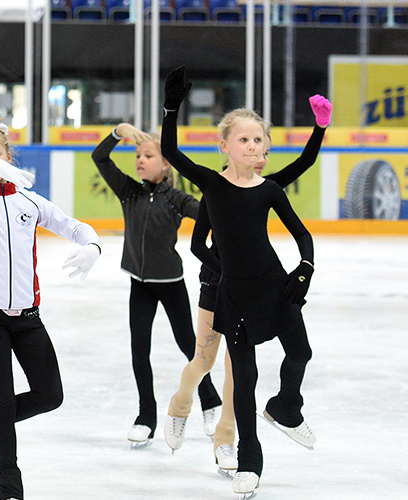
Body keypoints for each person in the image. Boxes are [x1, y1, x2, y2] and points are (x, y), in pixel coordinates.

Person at [161, 66, 317, 498]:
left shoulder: (269, 188)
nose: (253, 145)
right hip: (232, 293)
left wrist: (305, 265)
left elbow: (302, 232)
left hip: (275, 285)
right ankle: (247, 457)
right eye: (244, 139)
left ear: (266, 146)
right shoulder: (212, 185)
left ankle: (287, 407)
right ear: (225, 145)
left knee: (300, 353)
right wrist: (171, 108)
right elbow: (172, 151)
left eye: (259, 139)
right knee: (236, 375)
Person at [0, 115, 101, 500]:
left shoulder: (29, 201)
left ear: (10, 156)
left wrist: (92, 245)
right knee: (5, 399)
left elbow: (74, 226)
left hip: (28, 319)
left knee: (50, 395)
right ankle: (10, 487)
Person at [91, 122, 221, 447]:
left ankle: (210, 400)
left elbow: (206, 211)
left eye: (148, 155)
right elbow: (100, 157)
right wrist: (118, 134)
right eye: (137, 155)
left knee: (188, 345)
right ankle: (145, 416)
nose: (139, 160)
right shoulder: (129, 191)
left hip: (170, 282)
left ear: (166, 163)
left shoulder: (177, 198)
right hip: (140, 283)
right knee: (140, 350)